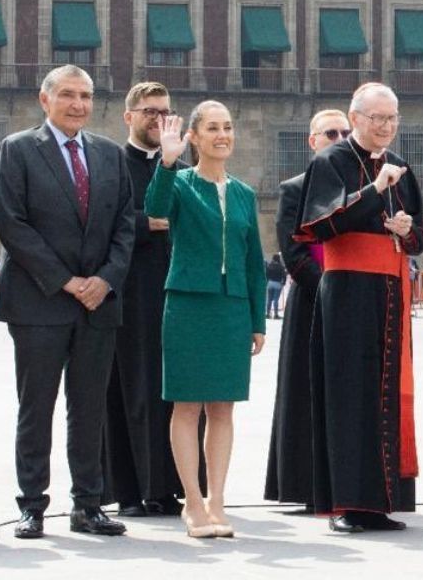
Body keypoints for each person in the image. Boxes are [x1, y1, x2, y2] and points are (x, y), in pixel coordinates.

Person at [0, 65, 136, 539]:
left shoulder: (110, 155)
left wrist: (105, 280)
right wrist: (66, 281)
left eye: (87, 96)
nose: (79, 104)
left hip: (98, 304)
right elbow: (12, 223)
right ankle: (32, 505)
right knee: (36, 407)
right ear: (45, 99)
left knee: (89, 409)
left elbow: (124, 226)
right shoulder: (18, 149)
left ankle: (88, 505)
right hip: (40, 303)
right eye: (69, 95)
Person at [295, 82, 423, 533]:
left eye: (392, 119)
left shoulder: (402, 167)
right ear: (355, 119)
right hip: (348, 291)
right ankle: (348, 505)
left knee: (385, 395)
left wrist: (407, 229)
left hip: (390, 293)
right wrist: (373, 191)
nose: (386, 127)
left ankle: (380, 503)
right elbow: (322, 224)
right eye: (377, 119)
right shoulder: (331, 161)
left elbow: (420, 239)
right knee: (350, 395)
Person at [146, 101, 267, 539]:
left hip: (232, 308)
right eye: (212, 128)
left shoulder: (244, 194)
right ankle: (192, 502)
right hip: (188, 305)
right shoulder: (179, 184)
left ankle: (218, 500)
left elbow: (254, 261)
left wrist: (258, 320)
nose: (222, 134)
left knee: (223, 408)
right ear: (194, 137)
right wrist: (167, 161)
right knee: (187, 405)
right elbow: (153, 208)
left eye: (228, 127)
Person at [102, 82, 189, 519]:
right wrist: (145, 223)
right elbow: (98, 223)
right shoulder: (110, 164)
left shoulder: (184, 167)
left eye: (166, 111)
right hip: (130, 295)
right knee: (130, 393)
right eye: (150, 111)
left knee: (173, 395)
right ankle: (131, 491)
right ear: (129, 116)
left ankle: (170, 487)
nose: (158, 119)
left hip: (176, 295)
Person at [265, 108, 351, 513]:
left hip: (358, 304)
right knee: (305, 394)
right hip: (312, 300)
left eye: (344, 132)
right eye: (329, 132)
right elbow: (292, 251)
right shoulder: (294, 189)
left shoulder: (368, 186)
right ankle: (305, 486)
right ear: (312, 141)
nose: (338, 137)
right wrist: (331, 287)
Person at [265, 254, 287, 319]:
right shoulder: (281, 267)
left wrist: (268, 281)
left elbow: (266, 274)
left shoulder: (269, 266)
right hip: (278, 283)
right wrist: (283, 283)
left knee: (269, 299)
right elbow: (284, 275)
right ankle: (276, 314)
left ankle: (268, 314)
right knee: (276, 300)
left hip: (270, 283)